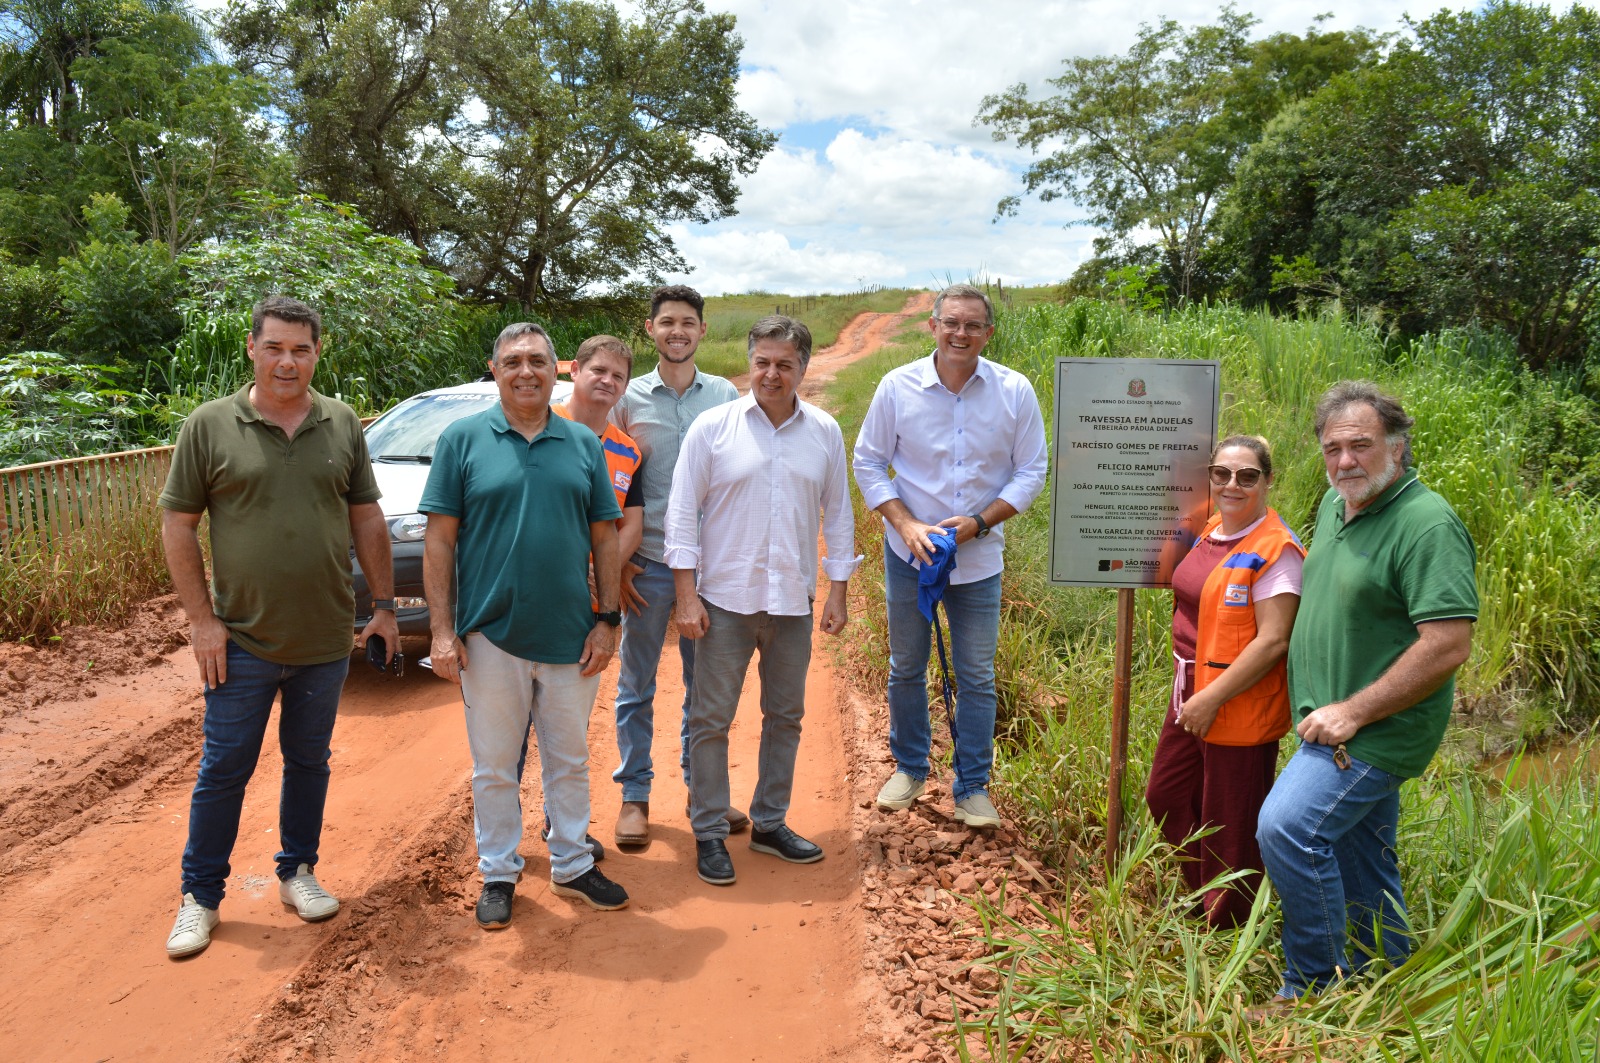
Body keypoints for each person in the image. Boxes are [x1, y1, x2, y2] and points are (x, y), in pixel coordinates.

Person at [159, 296, 399, 959]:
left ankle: (297, 871)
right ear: (252, 348)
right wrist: (202, 622)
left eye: (301, 348)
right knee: (224, 769)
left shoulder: (342, 422)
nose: (288, 360)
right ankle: (200, 897)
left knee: (309, 761)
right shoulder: (209, 426)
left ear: (317, 351)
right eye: (275, 347)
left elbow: (368, 518)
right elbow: (177, 525)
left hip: (325, 638)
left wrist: (382, 604)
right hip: (239, 640)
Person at [1256, 381, 1477, 1005]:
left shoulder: (1426, 523)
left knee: (1288, 829)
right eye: (1333, 448)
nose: (1345, 460)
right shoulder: (1337, 505)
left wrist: (1352, 711)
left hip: (1371, 730)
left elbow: (1447, 644)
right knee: (1360, 851)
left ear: (1397, 448)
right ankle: (1387, 970)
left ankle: (1313, 986)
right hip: (1327, 722)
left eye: (1361, 445)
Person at [420, 322, 630, 930]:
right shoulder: (462, 440)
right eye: (513, 361)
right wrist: (441, 629)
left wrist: (607, 619)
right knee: (493, 763)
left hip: (570, 635)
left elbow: (605, 536)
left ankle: (570, 862)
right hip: (488, 635)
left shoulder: (583, 443)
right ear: (494, 369)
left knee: (567, 759)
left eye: (538, 360)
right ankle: (498, 872)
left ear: (556, 369)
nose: (526, 371)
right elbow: (439, 540)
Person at [665, 316, 860, 885]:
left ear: (804, 368)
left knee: (786, 717)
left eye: (785, 364)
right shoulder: (713, 427)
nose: (772, 374)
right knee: (710, 718)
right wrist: (685, 595)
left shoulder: (823, 431)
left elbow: (839, 514)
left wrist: (838, 591)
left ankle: (771, 822)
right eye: (763, 362)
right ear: (749, 363)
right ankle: (709, 830)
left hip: (793, 602)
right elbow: (681, 512)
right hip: (724, 599)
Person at [853, 283, 1048, 829]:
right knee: (906, 666)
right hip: (908, 555)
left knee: (977, 674)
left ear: (989, 333)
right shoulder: (897, 388)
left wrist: (982, 522)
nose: (961, 333)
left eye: (973, 325)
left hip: (980, 559)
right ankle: (911, 767)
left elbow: (1032, 468)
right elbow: (868, 461)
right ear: (932, 326)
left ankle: (972, 787)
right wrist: (906, 523)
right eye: (951, 323)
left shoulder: (1014, 391)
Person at [1144, 435, 1304, 929]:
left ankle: (1229, 926)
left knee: (1230, 820)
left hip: (1236, 702)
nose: (1232, 484)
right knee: (1167, 796)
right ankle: (1203, 896)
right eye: (1222, 474)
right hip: (1189, 692)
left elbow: (1274, 641)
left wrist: (1210, 698)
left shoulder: (1277, 551)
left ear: (1268, 481)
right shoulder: (1213, 529)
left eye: (1247, 475)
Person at [608, 285, 741, 846]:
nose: (678, 331)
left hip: (710, 568)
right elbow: (605, 479)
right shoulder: (627, 398)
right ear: (650, 330)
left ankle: (700, 793)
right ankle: (634, 797)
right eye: (667, 322)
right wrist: (615, 562)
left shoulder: (727, 395)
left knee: (702, 686)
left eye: (688, 322)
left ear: (703, 331)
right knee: (636, 683)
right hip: (646, 563)